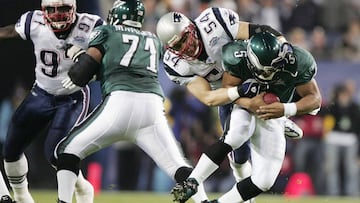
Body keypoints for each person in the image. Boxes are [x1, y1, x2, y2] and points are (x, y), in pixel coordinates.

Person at [55, 1, 209, 203]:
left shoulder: (107, 31)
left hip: (119, 103)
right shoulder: (153, 39)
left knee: (66, 152)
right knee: (178, 167)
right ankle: (205, 201)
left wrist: (77, 55)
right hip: (153, 108)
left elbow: (82, 74)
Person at [155, 8, 303, 198]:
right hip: (226, 93)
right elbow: (208, 98)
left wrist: (284, 44)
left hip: (250, 74)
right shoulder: (175, 64)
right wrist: (239, 92)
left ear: (191, 28)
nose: (185, 47)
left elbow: (261, 30)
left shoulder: (214, 23)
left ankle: (278, 118)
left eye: (185, 39)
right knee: (239, 156)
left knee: (238, 133)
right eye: (177, 46)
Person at [171, 31, 322, 203]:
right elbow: (229, 90)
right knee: (236, 135)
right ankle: (193, 180)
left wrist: (285, 109)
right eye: (266, 70)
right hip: (246, 105)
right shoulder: (236, 56)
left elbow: (315, 99)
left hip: (275, 112)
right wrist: (249, 104)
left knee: (264, 180)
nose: (270, 74)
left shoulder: (297, 60)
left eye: (274, 69)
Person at [0, 0, 104, 202]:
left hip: (72, 97)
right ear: (43, 11)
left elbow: (105, 62)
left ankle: (82, 188)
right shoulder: (33, 21)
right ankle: (22, 196)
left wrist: (88, 67)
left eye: (63, 9)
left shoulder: (91, 25)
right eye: (52, 9)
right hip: (42, 92)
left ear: (74, 8)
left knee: (56, 153)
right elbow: (11, 31)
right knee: (11, 149)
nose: (57, 14)